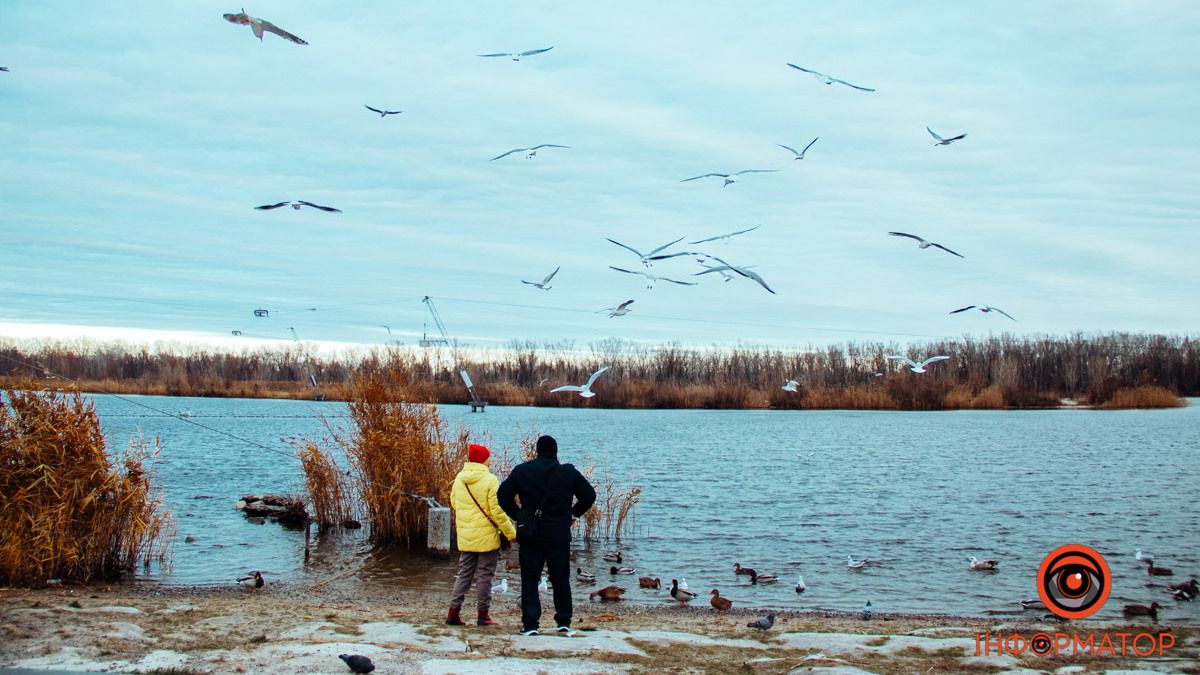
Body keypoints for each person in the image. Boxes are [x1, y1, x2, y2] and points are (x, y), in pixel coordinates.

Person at [497, 434, 596, 636]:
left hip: (531, 534)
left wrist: (517, 514)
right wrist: (573, 514)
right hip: (558, 534)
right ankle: (563, 621)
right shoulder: (567, 472)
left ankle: (531, 624)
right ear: (556, 452)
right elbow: (589, 495)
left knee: (530, 579)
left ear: (537, 451)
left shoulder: (522, 470)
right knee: (560, 578)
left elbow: (502, 495)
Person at [447, 443, 517, 627]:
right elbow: (496, 511)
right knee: (485, 576)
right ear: (483, 459)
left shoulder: (460, 478)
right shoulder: (490, 480)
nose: (490, 460)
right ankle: (483, 615)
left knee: (464, 574)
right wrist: (511, 533)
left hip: (466, 536)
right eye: (488, 457)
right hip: (487, 537)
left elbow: (454, 503)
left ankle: (453, 613)